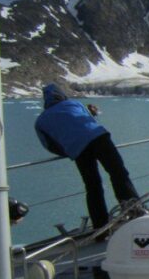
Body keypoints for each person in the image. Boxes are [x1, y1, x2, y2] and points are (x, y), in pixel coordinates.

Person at [34, 84, 139, 231]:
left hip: (78, 149)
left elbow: (49, 145)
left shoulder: (40, 121)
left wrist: (68, 149)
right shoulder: (74, 103)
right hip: (99, 138)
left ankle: (100, 227)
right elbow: (88, 120)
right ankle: (133, 211)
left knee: (93, 186)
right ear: (61, 95)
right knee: (118, 173)